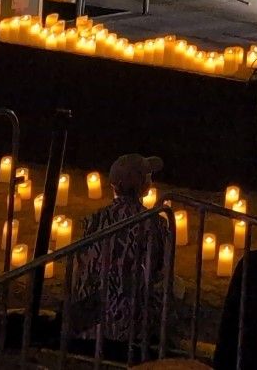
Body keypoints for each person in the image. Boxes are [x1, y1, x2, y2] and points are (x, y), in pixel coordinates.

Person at [68, 153, 168, 361]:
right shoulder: (154, 223)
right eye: (148, 176)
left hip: (88, 322)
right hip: (127, 328)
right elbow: (159, 270)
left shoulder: (92, 221)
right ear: (143, 185)